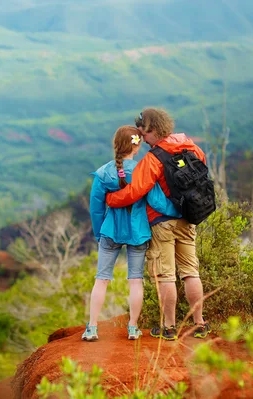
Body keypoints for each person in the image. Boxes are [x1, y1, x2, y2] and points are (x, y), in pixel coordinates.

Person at [106, 108, 211, 341]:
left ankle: (169, 328)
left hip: (162, 224)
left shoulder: (153, 159)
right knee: (191, 272)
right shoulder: (191, 146)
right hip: (188, 217)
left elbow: (135, 191)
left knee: (165, 275)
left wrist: (111, 199)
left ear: (151, 129)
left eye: (143, 133)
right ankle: (200, 324)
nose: (142, 139)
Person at [82, 125, 179, 341]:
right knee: (135, 281)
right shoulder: (142, 170)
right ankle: (133, 328)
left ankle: (92, 327)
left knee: (101, 279)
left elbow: (96, 208)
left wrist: (99, 234)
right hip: (138, 232)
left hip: (110, 231)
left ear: (116, 144)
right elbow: (157, 202)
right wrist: (180, 211)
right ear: (136, 147)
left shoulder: (103, 173)